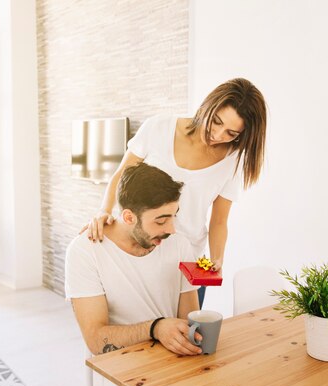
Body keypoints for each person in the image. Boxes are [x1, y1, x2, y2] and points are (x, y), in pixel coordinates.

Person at [81, 78, 268, 307]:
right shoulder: (159, 127)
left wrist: (217, 258)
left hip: (186, 260)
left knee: (188, 336)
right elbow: (121, 174)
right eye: (216, 121)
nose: (218, 135)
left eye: (231, 133)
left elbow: (219, 221)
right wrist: (104, 210)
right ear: (207, 107)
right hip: (140, 250)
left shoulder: (233, 160)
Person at [65, 162, 202, 357]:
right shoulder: (85, 251)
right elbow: (96, 340)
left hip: (171, 363)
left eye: (173, 217)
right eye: (161, 220)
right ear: (129, 217)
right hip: (117, 371)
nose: (171, 229)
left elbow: (190, 322)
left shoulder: (180, 245)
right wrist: (155, 328)